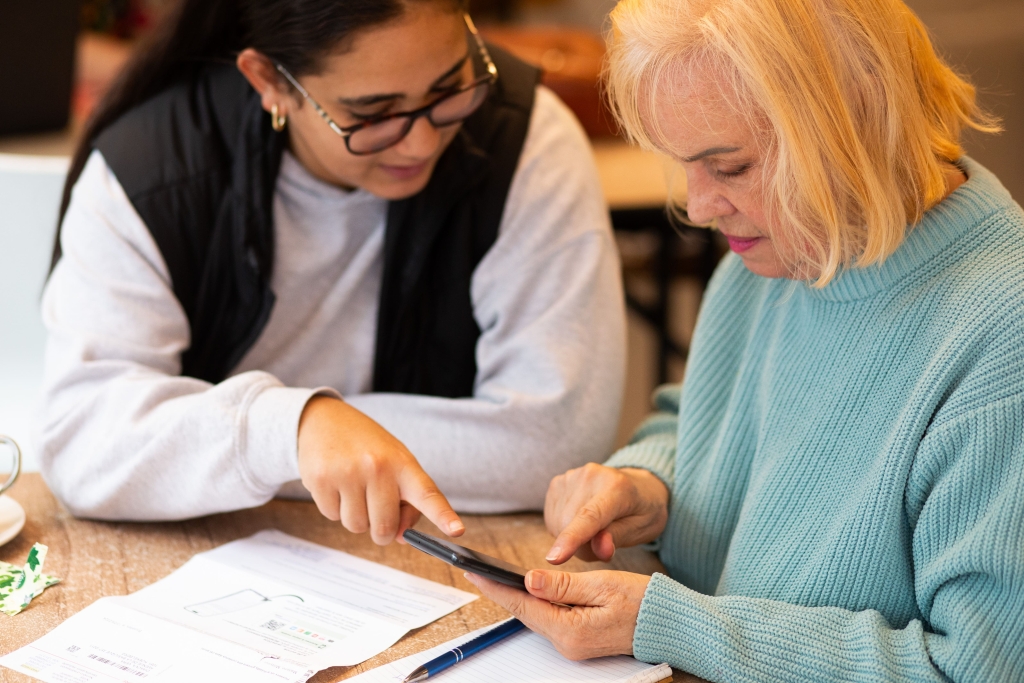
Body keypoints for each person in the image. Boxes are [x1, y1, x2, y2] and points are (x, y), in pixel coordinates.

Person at [468, 0, 1024, 680]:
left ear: (854, 121)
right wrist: (649, 483)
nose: (698, 206)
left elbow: (976, 667)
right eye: (683, 164)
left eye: (728, 167)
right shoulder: (782, 248)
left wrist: (670, 623)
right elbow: (698, 416)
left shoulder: (1002, 341)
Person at [39, 0, 626, 542]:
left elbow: (551, 439)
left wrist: (233, 447)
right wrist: (293, 430)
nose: (421, 142)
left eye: (451, 88)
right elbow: (83, 442)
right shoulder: (153, 172)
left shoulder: (524, 138)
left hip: (428, 555)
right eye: (373, 114)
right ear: (269, 81)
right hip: (219, 563)